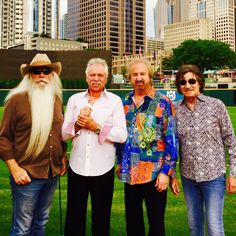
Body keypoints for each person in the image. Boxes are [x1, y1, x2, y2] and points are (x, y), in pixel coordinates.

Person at [0, 53, 68, 235]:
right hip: (27, 176)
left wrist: (63, 156)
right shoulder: (16, 100)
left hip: (51, 173)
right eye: (36, 71)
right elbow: (4, 138)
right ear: (29, 75)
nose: (42, 74)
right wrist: (14, 168)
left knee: (41, 223)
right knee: (22, 227)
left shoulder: (56, 100)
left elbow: (58, 133)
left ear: (52, 74)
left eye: (46, 71)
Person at [62, 57, 127, 236]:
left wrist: (96, 127)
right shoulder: (75, 100)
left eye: (100, 75)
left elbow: (122, 135)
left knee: (101, 219)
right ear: (86, 77)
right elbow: (63, 133)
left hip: (103, 168)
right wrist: (77, 124)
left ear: (106, 78)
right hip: (77, 166)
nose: (96, 78)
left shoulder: (114, 101)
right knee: (74, 219)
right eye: (92, 75)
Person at [171, 64, 236, 236]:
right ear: (179, 86)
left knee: (214, 226)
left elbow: (231, 140)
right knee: (194, 226)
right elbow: (171, 145)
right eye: (183, 82)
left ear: (199, 82)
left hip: (213, 176)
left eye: (192, 81)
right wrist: (172, 175)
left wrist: (233, 174)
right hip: (188, 177)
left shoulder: (216, 105)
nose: (188, 85)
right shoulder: (175, 110)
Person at [116, 58, 178, 236]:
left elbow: (171, 140)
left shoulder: (163, 102)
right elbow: (120, 137)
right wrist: (120, 162)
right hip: (131, 174)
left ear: (149, 76)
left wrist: (166, 172)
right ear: (130, 78)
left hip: (155, 174)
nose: (139, 78)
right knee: (133, 224)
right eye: (135, 74)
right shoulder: (125, 102)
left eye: (142, 74)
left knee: (156, 225)